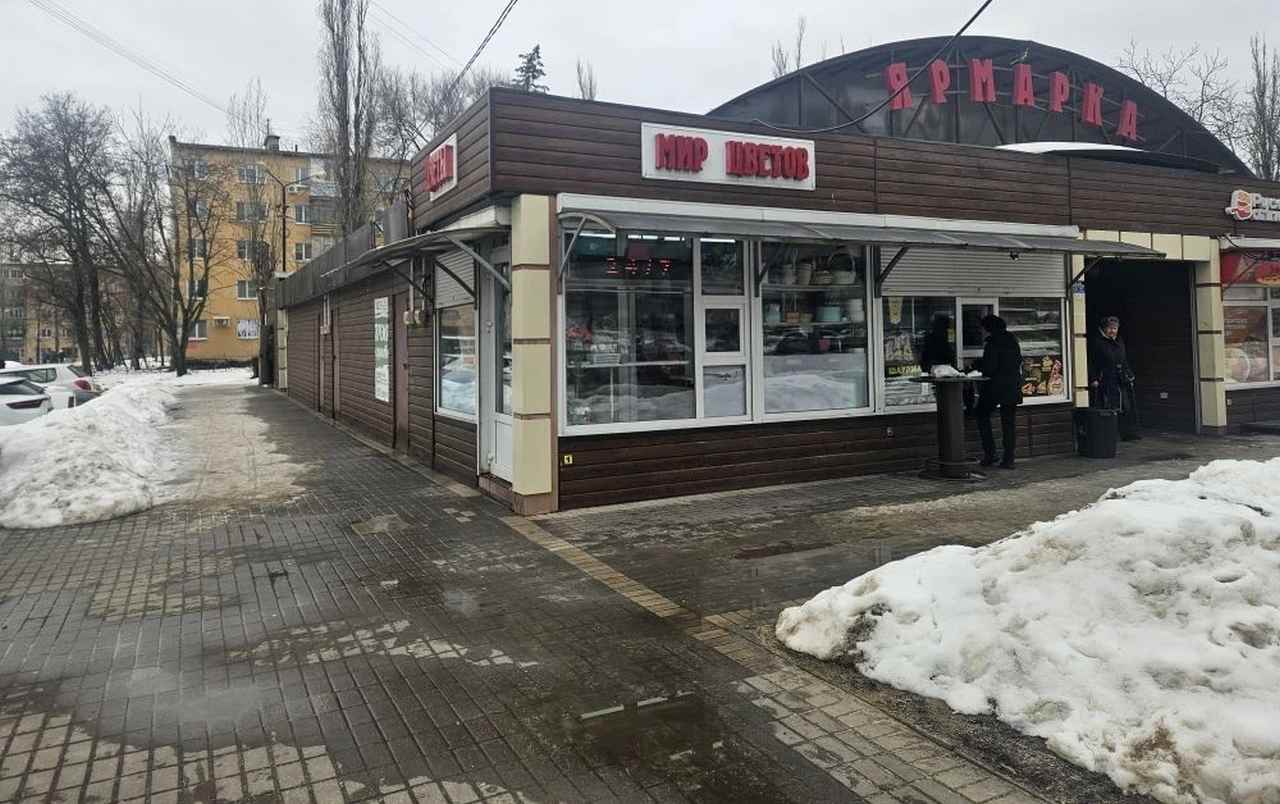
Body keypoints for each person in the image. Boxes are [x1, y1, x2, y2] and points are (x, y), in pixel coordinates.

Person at [975, 314, 1023, 468]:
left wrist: (976, 366)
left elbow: (990, 368)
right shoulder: (1012, 340)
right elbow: (1018, 361)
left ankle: (990, 454)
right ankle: (1009, 459)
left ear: (988, 328)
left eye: (983, 328)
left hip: (995, 387)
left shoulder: (993, 342)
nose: (982, 331)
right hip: (1013, 386)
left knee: (981, 414)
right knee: (1009, 423)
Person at [1089, 316, 1140, 441]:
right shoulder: (1097, 342)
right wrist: (1093, 378)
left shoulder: (1119, 340)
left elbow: (1124, 359)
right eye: (1110, 328)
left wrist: (1129, 374)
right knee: (1108, 407)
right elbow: (1091, 362)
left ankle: (1128, 433)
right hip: (1105, 379)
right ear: (1104, 328)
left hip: (1121, 378)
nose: (1113, 331)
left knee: (1126, 406)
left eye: (1115, 328)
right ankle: (1108, 435)